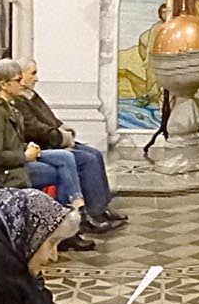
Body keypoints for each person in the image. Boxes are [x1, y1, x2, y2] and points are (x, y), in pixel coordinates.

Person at [0, 58, 95, 252]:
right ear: (4, 84)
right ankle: (67, 226)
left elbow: (12, 141)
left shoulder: (9, 106)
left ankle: (73, 212)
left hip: (19, 160)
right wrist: (25, 156)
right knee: (61, 174)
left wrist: (27, 146)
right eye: (17, 80)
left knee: (66, 158)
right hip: (8, 172)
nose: (22, 83)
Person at [16, 60, 126, 233]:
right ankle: (94, 213)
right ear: (20, 76)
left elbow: (49, 118)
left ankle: (103, 206)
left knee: (95, 154)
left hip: (54, 139)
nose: (36, 78)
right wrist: (61, 137)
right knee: (87, 160)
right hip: (44, 145)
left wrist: (62, 128)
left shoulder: (30, 95)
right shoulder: (18, 101)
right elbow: (35, 129)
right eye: (33, 73)